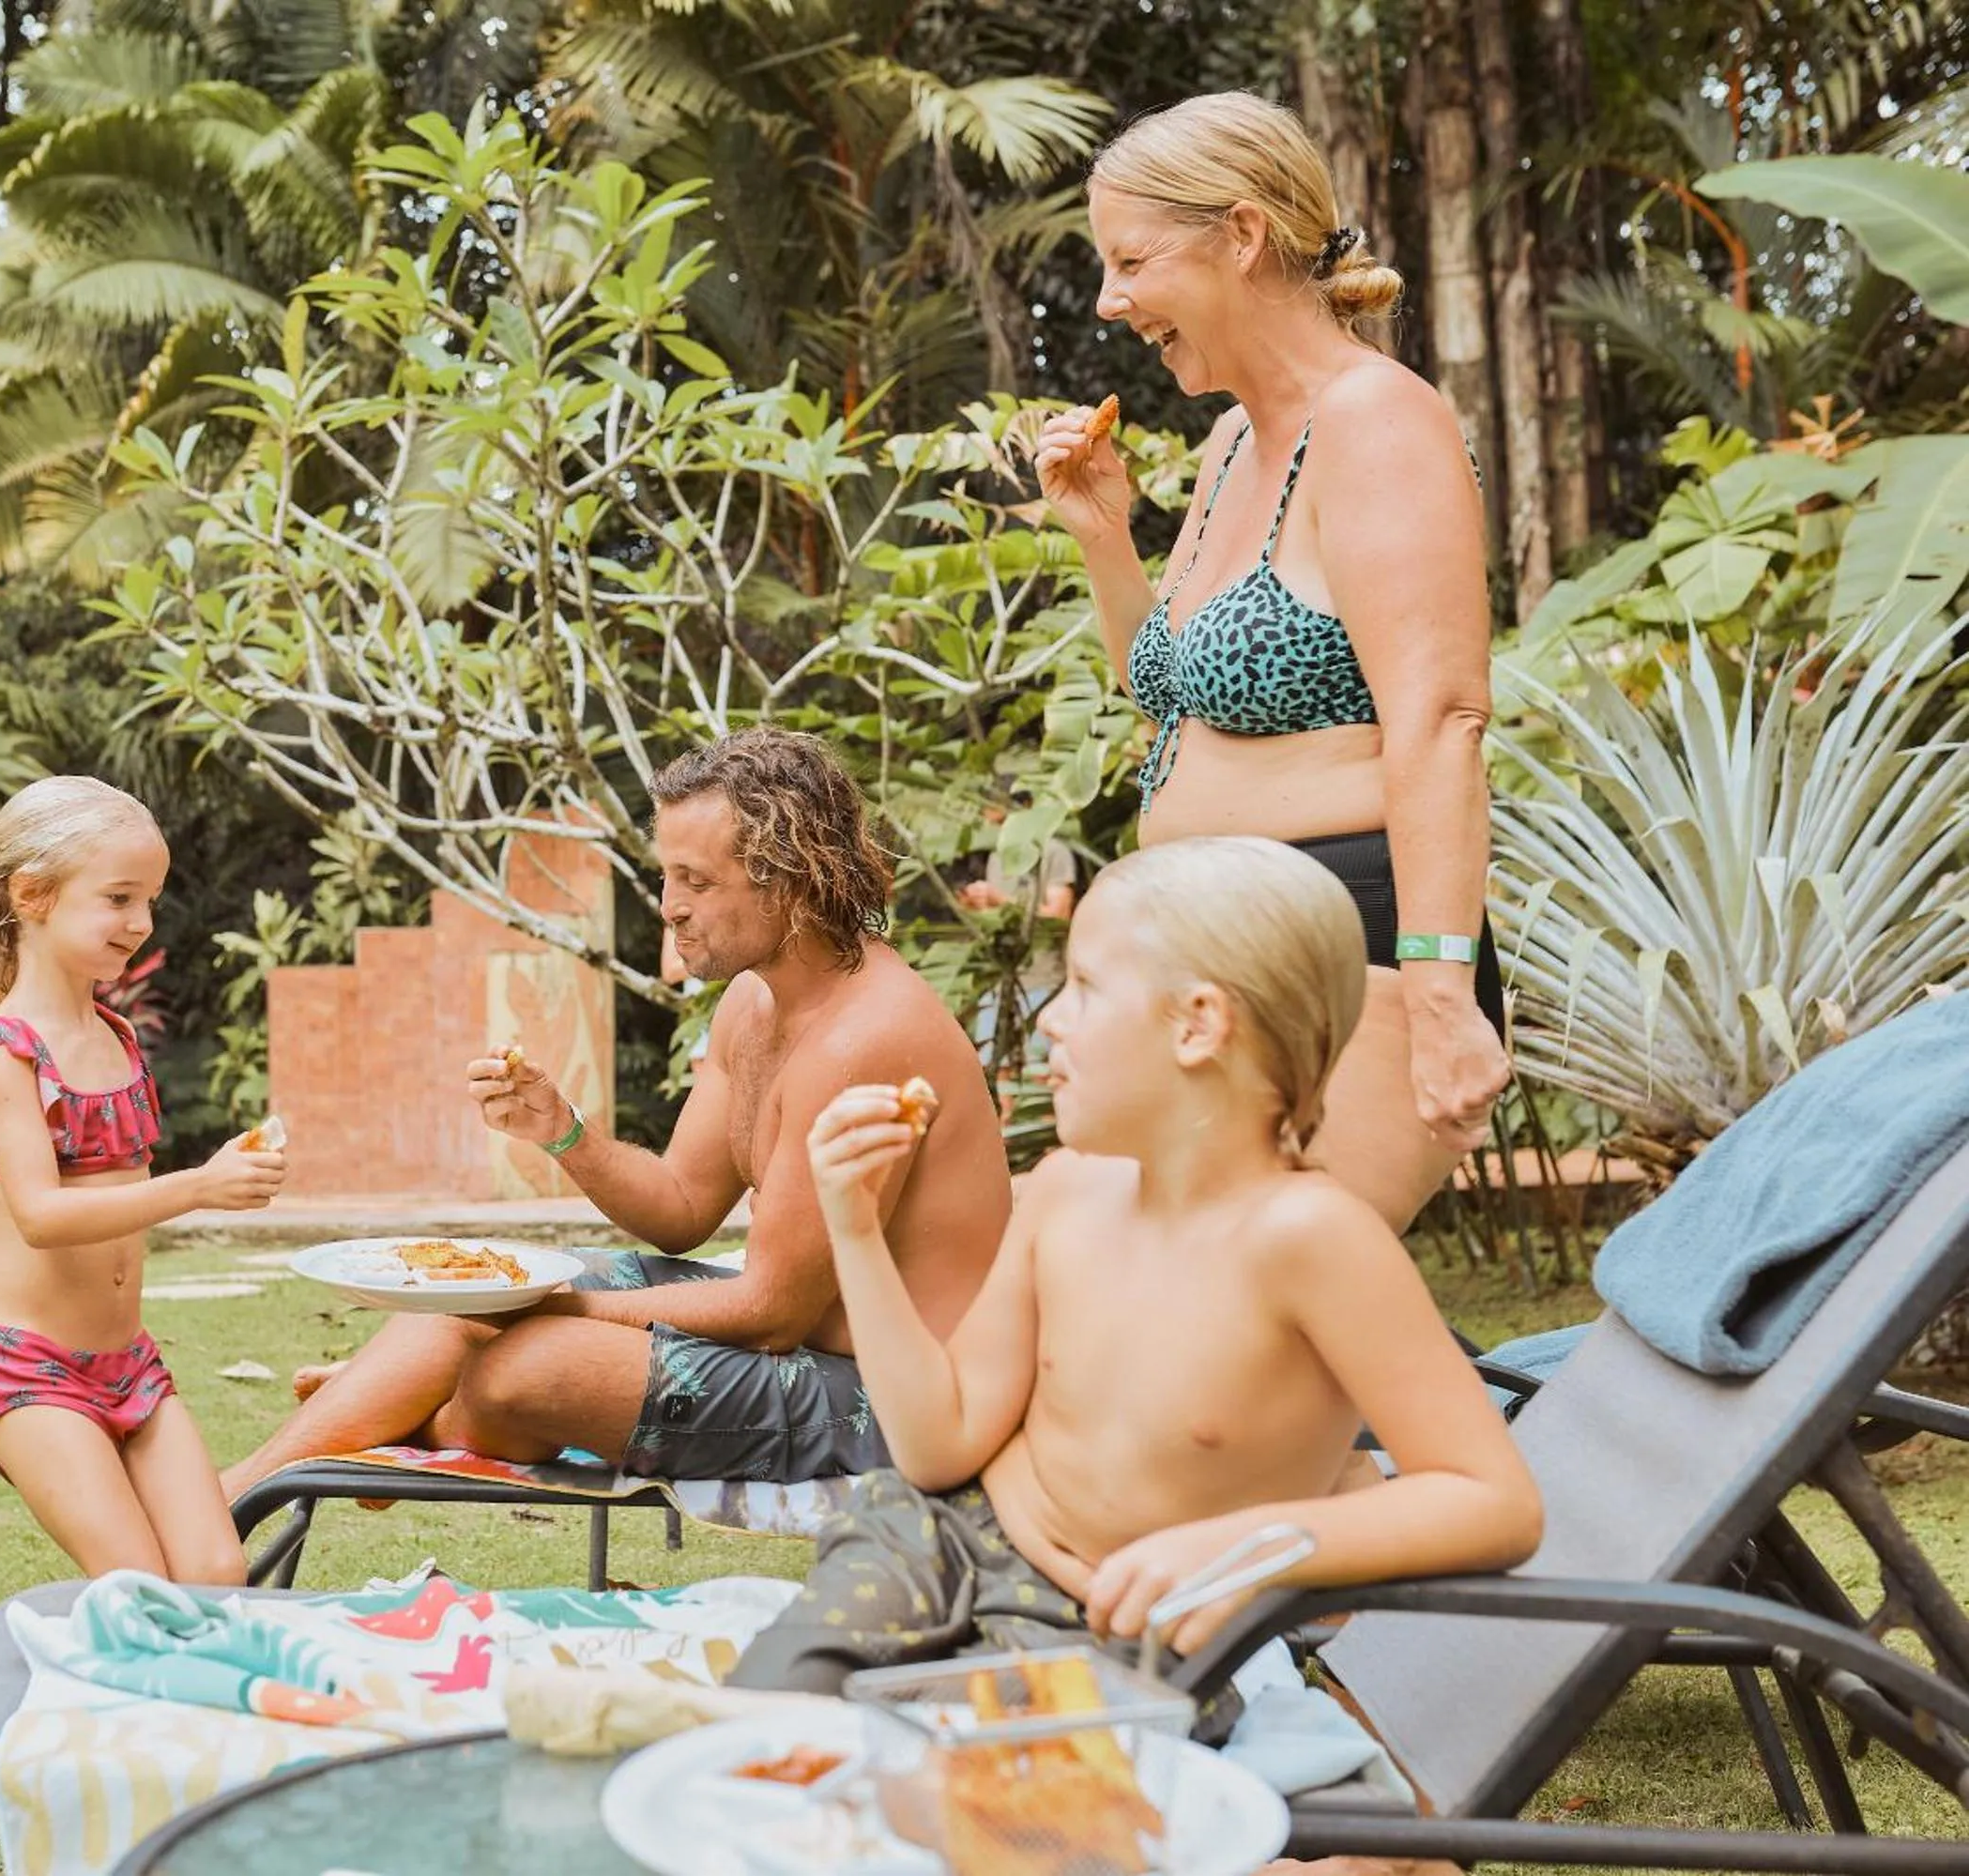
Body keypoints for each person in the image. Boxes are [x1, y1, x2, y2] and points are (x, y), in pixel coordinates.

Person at [726, 836, 1542, 1708]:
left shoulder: (1315, 1240)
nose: (1049, 1019)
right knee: (761, 1725)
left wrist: (1250, 1545)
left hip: (1113, 1622)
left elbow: (1492, 1501)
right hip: (938, 1536)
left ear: (1197, 1023)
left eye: (1084, 987)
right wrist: (855, 1231)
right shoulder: (1064, 1193)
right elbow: (937, 1448)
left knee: (954, 1798)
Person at [221, 727, 1012, 1496]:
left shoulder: (864, 1037)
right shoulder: (753, 1004)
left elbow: (770, 1310)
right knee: (483, 1286)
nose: (668, 907)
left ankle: (398, 1418)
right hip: (793, 1341)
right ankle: (242, 1492)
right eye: (666, 877)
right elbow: (680, 1207)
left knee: (526, 1365)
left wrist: (557, 1307)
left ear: (790, 879)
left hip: (891, 1396)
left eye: (696, 882)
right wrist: (562, 1130)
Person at [1032, 92, 1512, 1233]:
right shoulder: (1235, 441)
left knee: (1242, 1320)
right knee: (1145, 1313)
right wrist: (1105, 535)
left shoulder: (1378, 422)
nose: (1109, 302)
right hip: (1203, 951)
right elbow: (1168, 701)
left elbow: (1441, 717)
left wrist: (1443, 990)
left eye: (1130, 260)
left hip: (1348, 951)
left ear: (1241, 236)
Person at [0, 774, 287, 1581]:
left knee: (217, 1576)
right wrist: (201, 1185)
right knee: (143, 1587)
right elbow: (42, 1215)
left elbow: (117, 1195)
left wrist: (230, 1170)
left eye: (151, 899)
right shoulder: (4, 1050)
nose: (142, 922)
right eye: (120, 897)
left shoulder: (115, 1035)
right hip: (33, 1370)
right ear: (33, 894)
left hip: (130, 1363)